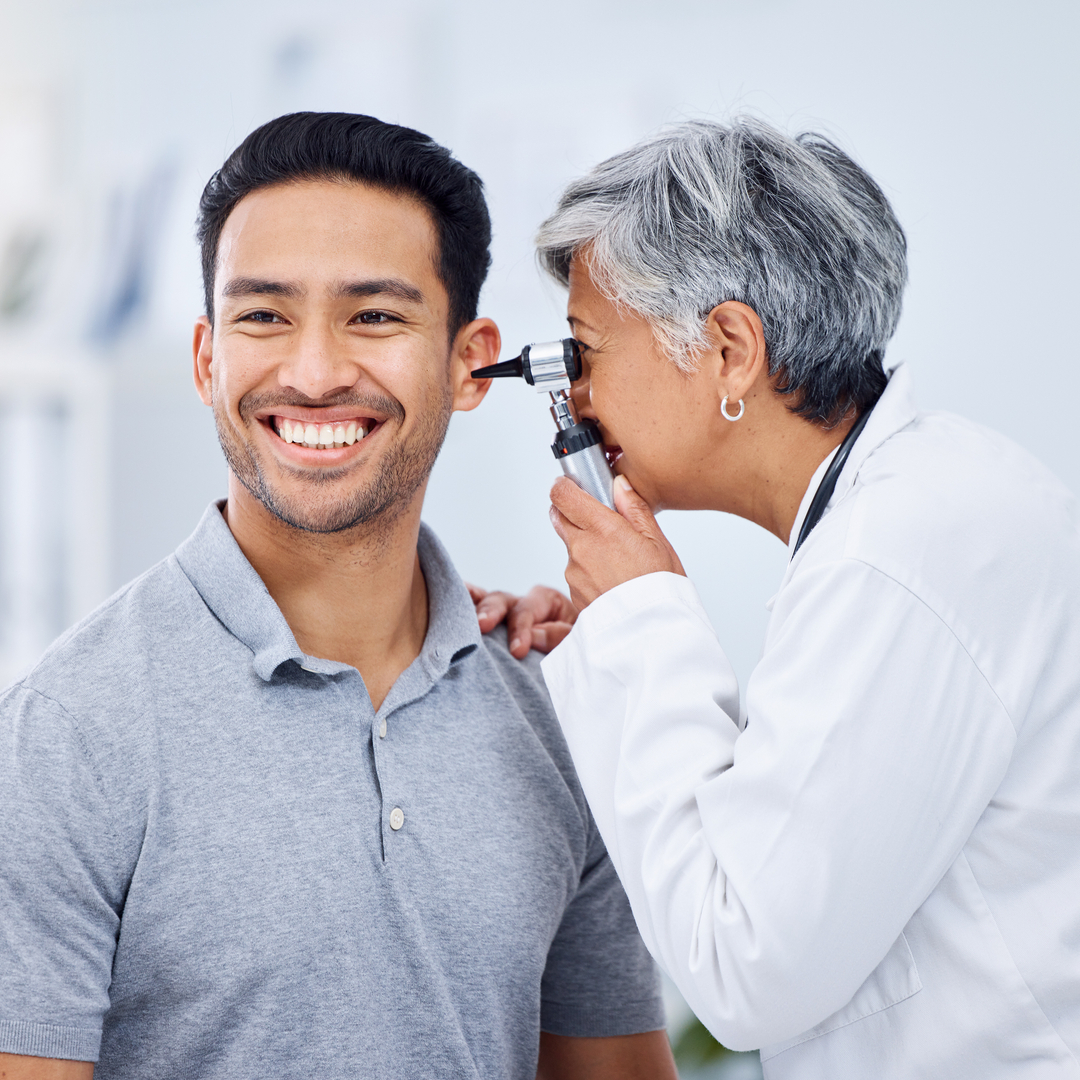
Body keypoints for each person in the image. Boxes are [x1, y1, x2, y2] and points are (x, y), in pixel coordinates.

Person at [0, 112, 677, 1080]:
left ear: (467, 361)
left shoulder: (553, 711)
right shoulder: (66, 738)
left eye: (373, 316)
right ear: (206, 359)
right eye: (264, 316)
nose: (313, 373)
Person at [476, 118, 1080, 1077]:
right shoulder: (918, 511)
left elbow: (745, 967)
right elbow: (818, 820)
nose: (575, 399)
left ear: (728, 350)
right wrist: (606, 651)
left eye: (588, 351)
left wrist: (643, 624)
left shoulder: (900, 553)